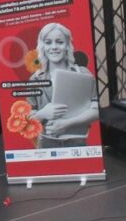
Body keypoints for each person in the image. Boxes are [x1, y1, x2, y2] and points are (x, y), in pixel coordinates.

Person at [27, 21, 100, 149]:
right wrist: (43, 113)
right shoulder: (35, 79)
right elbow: (28, 120)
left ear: (67, 45)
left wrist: (66, 124)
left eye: (59, 42)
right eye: (48, 42)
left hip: (77, 141)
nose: (54, 47)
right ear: (42, 46)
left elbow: (96, 110)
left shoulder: (82, 73)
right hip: (46, 143)